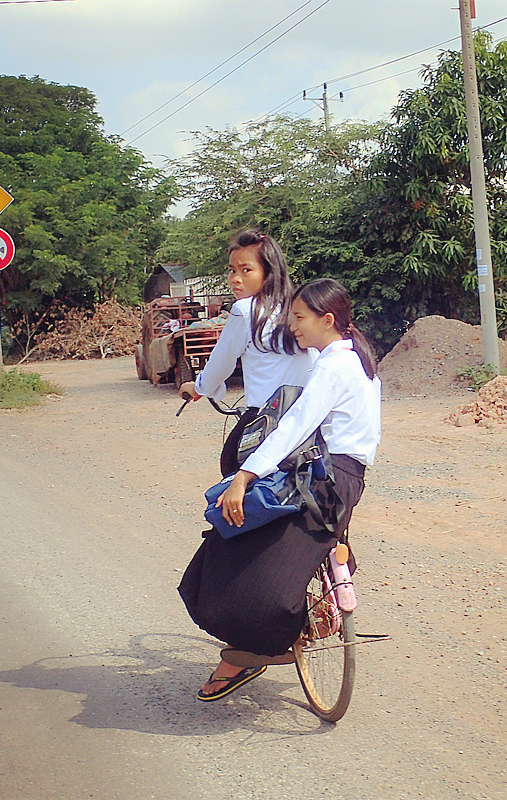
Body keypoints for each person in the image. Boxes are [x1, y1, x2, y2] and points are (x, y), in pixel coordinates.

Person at [179, 278, 381, 702]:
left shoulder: (334, 364)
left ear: (328, 319)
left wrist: (244, 476)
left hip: (325, 482)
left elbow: (294, 425)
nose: (294, 328)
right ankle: (267, 639)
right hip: (342, 479)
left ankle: (252, 652)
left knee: (238, 543)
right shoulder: (358, 359)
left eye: (301, 319)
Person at [181, 229, 315, 476]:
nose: (235, 279)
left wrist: (199, 388)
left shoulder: (245, 311)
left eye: (246, 270)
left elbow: (219, 365)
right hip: (305, 419)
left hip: (266, 418)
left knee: (231, 467)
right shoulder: (299, 307)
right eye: (232, 270)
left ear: (269, 271)